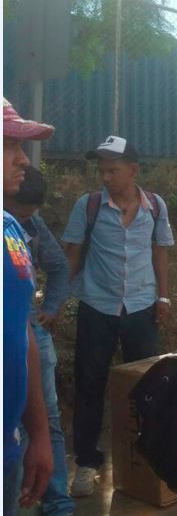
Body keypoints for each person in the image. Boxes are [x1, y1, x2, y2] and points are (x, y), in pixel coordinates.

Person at [61, 135, 175, 497]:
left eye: (113, 169)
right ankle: (87, 463)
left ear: (133, 170)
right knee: (90, 386)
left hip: (141, 308)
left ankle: (145, 459)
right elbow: (73, 254)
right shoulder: (89, 205)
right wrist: (58, 301)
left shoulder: (155, 207)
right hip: (97, 308)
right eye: (102, 170)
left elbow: (160, 254)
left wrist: (163, 297)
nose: (106, 176)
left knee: (147, 387)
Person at [5, 167, 74, 515]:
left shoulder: (27, 226)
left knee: (45, 420)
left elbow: (60, 267)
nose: (24, 223)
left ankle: (57, 502)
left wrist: (49, 308)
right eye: (18, 213)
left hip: (29, 333)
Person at [3, 99, 54, 513]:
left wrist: (38, 433)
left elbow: (22, 333)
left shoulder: (12, 232)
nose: (22, 159)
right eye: (7, 145)